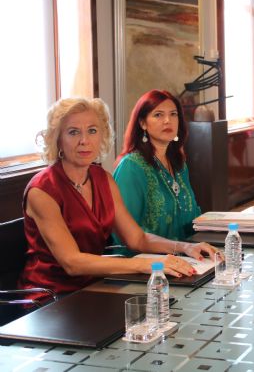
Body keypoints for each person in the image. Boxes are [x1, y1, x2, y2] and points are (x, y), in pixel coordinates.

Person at [19, 98, 218, 299]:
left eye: (92, 130)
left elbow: (137, 238)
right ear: (57, 139)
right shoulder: (42, 190)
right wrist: (143, 264)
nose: (84, 140)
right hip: (52, 299)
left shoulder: (102, 178)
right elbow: (72, 263)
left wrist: (185, 247)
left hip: (98, 286)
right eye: (73, 132)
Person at [114, 90, 200, 241]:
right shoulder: (131, 167)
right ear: (142, 123)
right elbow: (124, 233)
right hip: (145, 260)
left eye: (173, 114)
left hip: (187, 254)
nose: (168, 120)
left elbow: (194, 216)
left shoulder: (179, 163)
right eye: (158, 115)